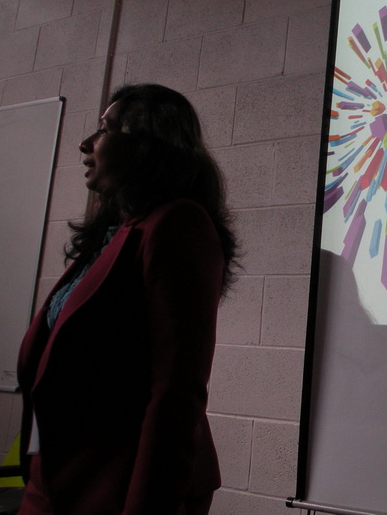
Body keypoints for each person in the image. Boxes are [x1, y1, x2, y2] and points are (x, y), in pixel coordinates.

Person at [16, 84, 238, 515]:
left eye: (105, 130)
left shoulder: (177, 223)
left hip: (120, 484)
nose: (86, 143)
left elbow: (176, 389)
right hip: (61, 477)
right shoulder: (111, 234)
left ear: (147, 145)